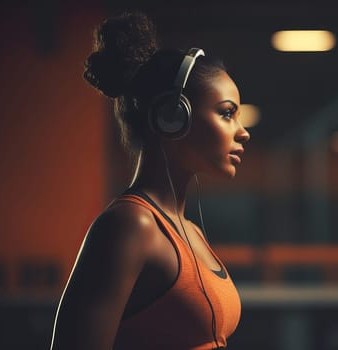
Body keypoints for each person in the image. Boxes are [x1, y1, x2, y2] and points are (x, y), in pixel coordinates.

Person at [51, 11, 249, 350]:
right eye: (227, 113)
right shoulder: (131, 225)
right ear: (174, 117)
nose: (242, 132)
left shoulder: (190, 230)